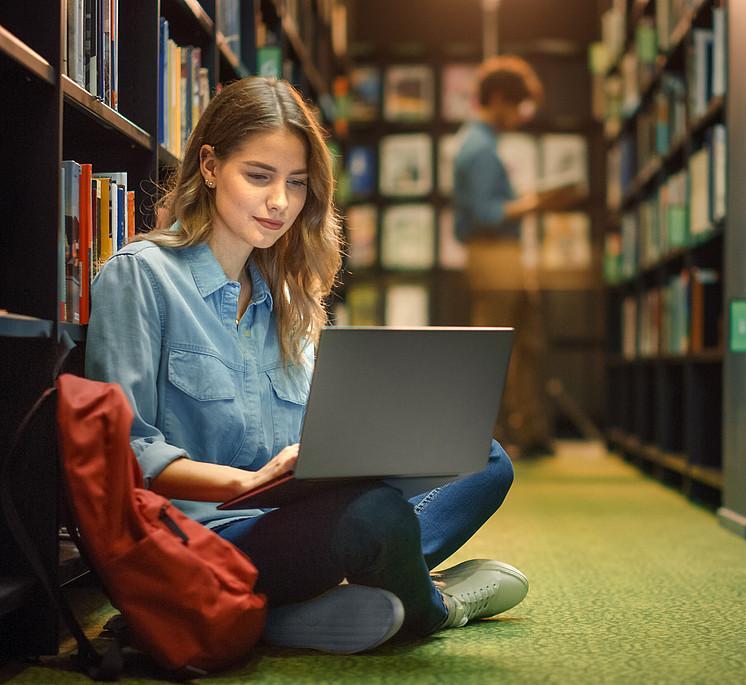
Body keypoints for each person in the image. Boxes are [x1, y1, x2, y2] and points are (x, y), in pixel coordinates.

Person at [85, 76, 528, 655]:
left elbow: (317, 444)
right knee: (376, 517)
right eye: (259, 176)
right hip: (200, 541)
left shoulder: (290, 297)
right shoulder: (140, 275)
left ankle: (279, 610)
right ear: (211, 166)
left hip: (295, 523)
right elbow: (126, 455)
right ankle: (436, 607)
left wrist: (376, 445)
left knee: (483, 458)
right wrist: (246, 482)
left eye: (296, 184)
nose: (280, 203)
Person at [453, 55, 579, 459]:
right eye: (519, 104)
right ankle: (494, 438)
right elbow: (487, 214)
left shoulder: (478, 145)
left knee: (522, 345)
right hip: (495, 255)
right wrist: (540, 202)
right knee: (502, 348)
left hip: (498, 255)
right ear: (501, 99)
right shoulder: (479, 149)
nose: (522, 115)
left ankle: (519, 431)